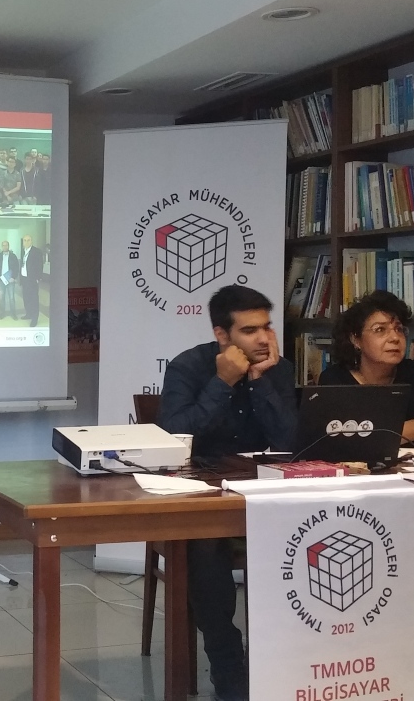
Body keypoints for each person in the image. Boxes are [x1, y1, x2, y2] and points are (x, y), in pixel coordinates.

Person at [158, 285, 297, 701]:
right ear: (222, 335)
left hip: (261, 490)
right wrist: (223, 382)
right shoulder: (188, 367)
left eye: (267, 327)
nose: (263, 339)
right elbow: (174, 437)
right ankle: (226, 659)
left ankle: (288, 652)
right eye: (250, 330)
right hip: (200, 492)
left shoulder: (278, 369)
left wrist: (258, 381)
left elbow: (291, 440)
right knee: (205, 546)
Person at [319, 290, 414, 449]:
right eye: (380, 330)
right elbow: (346, 442)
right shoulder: (335, 379)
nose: (395, 338)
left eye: (399, 329)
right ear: (356, 339)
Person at [19, 234, 43, 326]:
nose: (26, 242)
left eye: (28, 240)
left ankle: (34, 318)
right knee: (26, 298)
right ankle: (28, 314)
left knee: (34, 299)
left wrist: (38, 278)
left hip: (32, 279)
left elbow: (40, 265)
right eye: (25, 240)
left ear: (31, 241)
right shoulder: (23, 251)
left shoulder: (36, 251)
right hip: (24, 279)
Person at [0, 240, 19, 319]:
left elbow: (16, 267)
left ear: (8, 246)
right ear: (1, 246)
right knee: (1, 297)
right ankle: (2, 313)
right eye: (3, 245)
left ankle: (13, 313)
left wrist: (13, 277)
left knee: (11, 298)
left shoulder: (13, 256)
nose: (5, 247)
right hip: (1, 280)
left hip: (10, 279)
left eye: (6, 245)